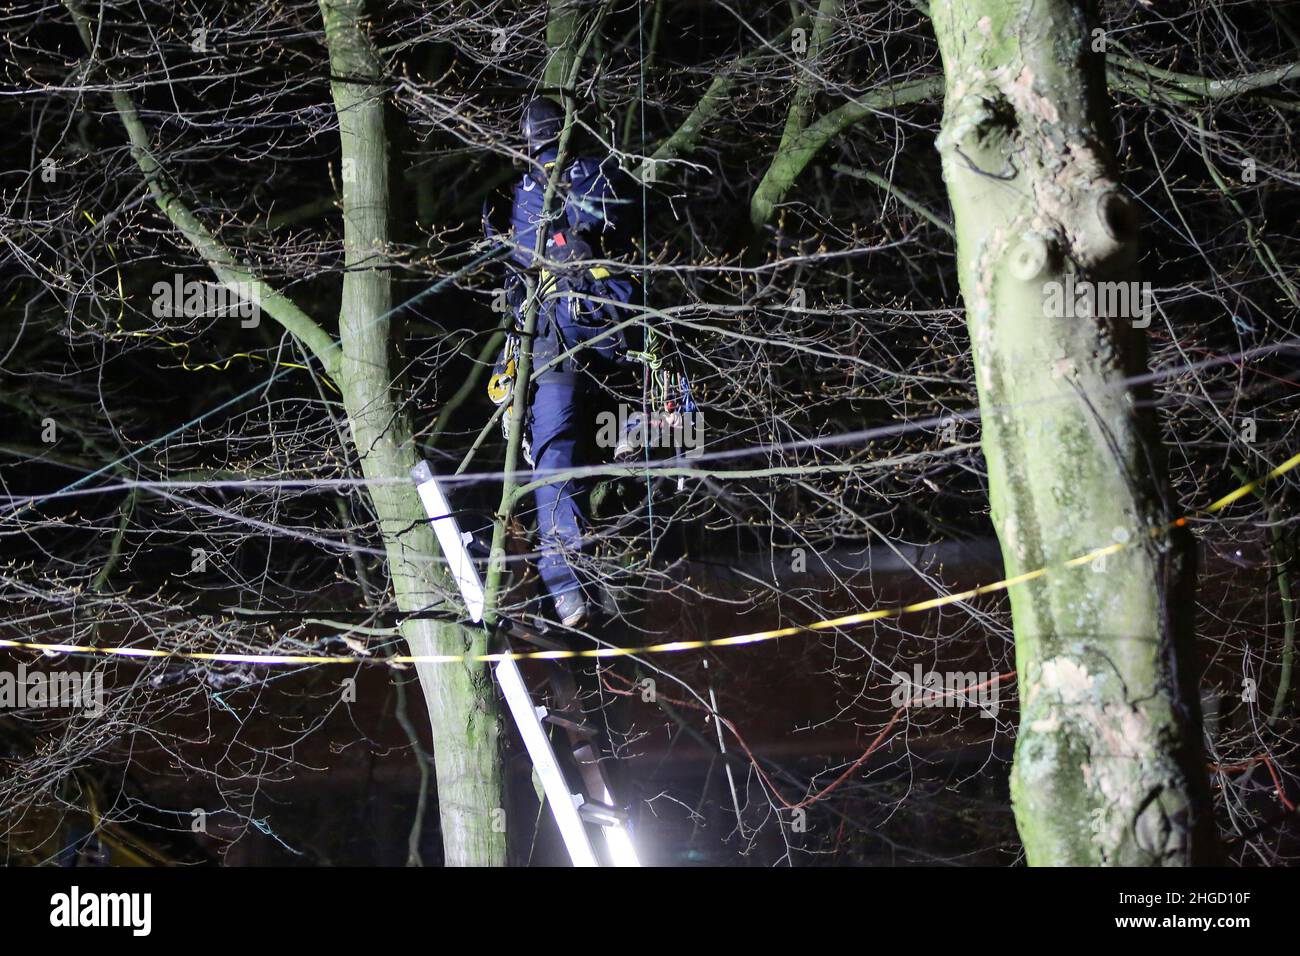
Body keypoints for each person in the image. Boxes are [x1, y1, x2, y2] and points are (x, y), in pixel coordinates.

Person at [492, 97, 636, 628]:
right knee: (556, 453)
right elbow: (522, 263)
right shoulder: (545, 187)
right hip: (573, 329)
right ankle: (574, 585)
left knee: (556, 455)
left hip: (590, 323)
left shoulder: (583, 178)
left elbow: (607, 226)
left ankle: (573, 583)